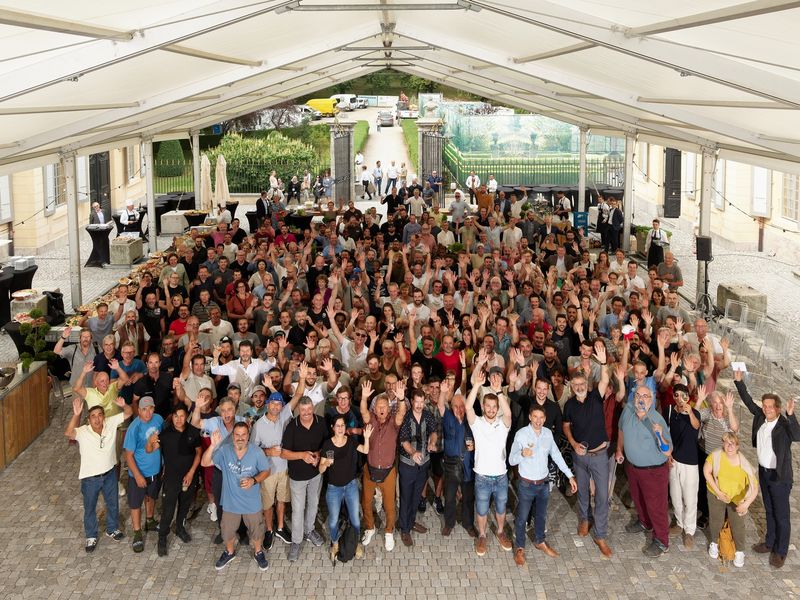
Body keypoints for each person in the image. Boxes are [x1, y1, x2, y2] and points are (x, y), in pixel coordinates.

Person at [734, 369, 800, 568]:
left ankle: (781, 551)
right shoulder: (761, 417)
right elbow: (748, 402)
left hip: (779, 476)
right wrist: (739, 382)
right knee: (769, 510)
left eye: (770, 406)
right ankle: (770, 542)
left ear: (777, 408)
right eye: (765, 406)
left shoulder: (784, 424)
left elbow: (797, 436)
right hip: (764, 472)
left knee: (782, 515)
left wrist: (792, 414)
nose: (766, 409)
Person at [509, 404, 577, 566]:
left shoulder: (547, 434)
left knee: (541, 515)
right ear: (530, 417)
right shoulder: (521, 434)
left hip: (543, 483)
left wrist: (570, 475)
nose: (538, 420)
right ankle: (519, 548)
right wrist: (521, 454)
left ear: (545, 419)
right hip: (526, 484)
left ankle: (540, 541)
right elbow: (511, 459)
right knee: (522, 518)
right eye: (535, 417)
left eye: (541, 418)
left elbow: (557, 455)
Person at [562, 349, 614, 558]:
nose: (580, 387)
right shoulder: (570, 405)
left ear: (586, 384)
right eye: (576, 386)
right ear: (572, 388)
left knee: (602, 495)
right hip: (580, 456)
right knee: (582, 491)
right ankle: (585, 518)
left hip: (600, 455)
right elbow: (566, 426)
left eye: (582, 384)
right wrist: (573, 443)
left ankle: (600, 534)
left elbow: (605, 379)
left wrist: (602, 364)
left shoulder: (595, 397)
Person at [65, 394, 132, 552]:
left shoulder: (110, 423)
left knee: (113, 503)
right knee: (90, 508)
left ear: (104, 417)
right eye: (93, 416)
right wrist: (76, 414)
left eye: (99, 415)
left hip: (109, 474)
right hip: (90, 479)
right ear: (89, 419)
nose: (97, 419)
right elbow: (68, 433)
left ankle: (112, 528)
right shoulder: (83, 431)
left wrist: (124, 404)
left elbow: (129, 413)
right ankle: (91, 536)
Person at [202, 423, 271, 571]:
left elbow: (266, 471)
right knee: (227, 531)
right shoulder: (224, 451)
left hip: (252, 503)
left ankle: (258, 552)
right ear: (233, 436)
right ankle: (229, 552)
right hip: (230, 503)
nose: (240, 438)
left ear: (248, 436)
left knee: (257, 531)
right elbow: (205, 462)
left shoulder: (256, 452)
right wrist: (212, 446)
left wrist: (254, 480)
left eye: (243, 435)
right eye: (237, 435)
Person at [616, 384, 672, 557]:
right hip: (633, 468)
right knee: (638, 499)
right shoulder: (628, 411)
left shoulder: (657, 420)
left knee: (656, 506)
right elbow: (621, 431)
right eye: (638, 395)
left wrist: (660, 435)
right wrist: (619, 449)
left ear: (652, 400)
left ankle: (662, 541)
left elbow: (667, 451)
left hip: (653, 472)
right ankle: (644, 522)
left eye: (645, 396)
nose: (641, 399)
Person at [466, 359, 513, 556]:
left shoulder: (503, 424)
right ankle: (483, 535)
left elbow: (508, 413)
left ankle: (501, 531)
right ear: (483, 407)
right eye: (488, 406)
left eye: (494, 407)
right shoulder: (477, 424)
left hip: (501, 476)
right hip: (482, 477)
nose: (492, 409)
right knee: (482, 508)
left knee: (501, 507)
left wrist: (499, 392)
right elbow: (468, 408)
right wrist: (477, 384)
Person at [359, 380, 406, 552]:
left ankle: (388, 532)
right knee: (366, 502)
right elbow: (363, 410)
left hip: (388, 471)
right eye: (378, 405)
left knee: (390, 505)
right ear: (375, 408)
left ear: (388, 408)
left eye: (384, 406)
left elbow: (401, 413)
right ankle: (370, 528)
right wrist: (364, 398)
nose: (381, 408)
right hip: (369, 469)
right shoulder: (370, 419)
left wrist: (401, 400)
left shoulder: (394, 422)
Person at [319, 415, 372, 561]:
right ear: (333, 428)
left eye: (342, 425)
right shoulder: (327, 445)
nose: (340, 428)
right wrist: (325, 464)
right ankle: (335, 543)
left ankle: (354, 544)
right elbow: (320, 470)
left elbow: (365, 450)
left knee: (355, 518)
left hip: (350, 486)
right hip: (334, 488)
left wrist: (366, 437)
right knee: (333, 520)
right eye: (337, 425)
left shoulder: (350, 442)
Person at [281, 396, 328, 562]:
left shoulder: (321, 422)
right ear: (298, 410)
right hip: (298, 476)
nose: (306, 413)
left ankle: (309, 530)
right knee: (298, 509)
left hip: (316, 474)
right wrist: (302, 455)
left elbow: (326, 444)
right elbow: (284, 453)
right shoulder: (291, 427)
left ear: (313, 408)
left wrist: (318, 454)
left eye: (309, 410)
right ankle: (296, 541)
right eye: (303, 410)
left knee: (313, 504)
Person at [704, 432, 759, 567]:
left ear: (738, 446)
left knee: (738, 524)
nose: (729, 446)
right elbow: (706, 472)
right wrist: (719, 492)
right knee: (716, 519)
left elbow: (755, 487)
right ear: (723, 443)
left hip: (737, 498)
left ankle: (740, 551)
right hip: (716, 493)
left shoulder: (744, 463)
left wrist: (746, 504)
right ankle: (714, 543)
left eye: (732, 443)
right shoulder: (716, 455)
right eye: (727, 442)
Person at [157, 405, 201, 557]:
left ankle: (180, 528)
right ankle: (162, 537)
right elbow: (153, 450)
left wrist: (191, 472)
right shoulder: (165, 434)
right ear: (172, 417)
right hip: (171, 479)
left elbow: (198, 452)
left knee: (184, 506)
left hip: (189, 478)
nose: (178, 419)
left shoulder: (192, 431)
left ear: (186, 416)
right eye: (176, 416)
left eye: (182, 416)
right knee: (168, 510)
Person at [123, 396, 165, 553]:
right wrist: (138, 475)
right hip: (139, 474)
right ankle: (137, 533)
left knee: (152, 497)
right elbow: (128, 455)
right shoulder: (134, 428)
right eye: (144, 409)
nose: (148, 413)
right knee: (135, 504)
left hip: (155, 471)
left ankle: (150, 520)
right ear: (138, 411)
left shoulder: (159, 420)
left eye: (150, 409)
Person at [397, 387, 438, 547]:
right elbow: (403, 440)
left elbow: (433, 431)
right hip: (408, 464)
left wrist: (432, 442)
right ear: (412, 402)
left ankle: (411, 521)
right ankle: (404, 528)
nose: (419, 405)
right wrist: (413, 452)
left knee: (416, 496)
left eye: (422, 402)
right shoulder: (407, 417)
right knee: (406, 497)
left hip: (424, 463)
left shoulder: (427, 415)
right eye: (417, 402)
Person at [667, 383, 701, 549]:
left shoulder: (694, 413)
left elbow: (696, 426)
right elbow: (667, 435)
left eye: (683, 395)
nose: (680, 398)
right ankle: (679, 523)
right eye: (677, 395)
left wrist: (690, 412)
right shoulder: (670, 412)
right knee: (675, 495)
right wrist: (668, 455)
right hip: (674, 461)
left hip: (690, 463)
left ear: (688, 396)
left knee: (690, 498)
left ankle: (689, 531)